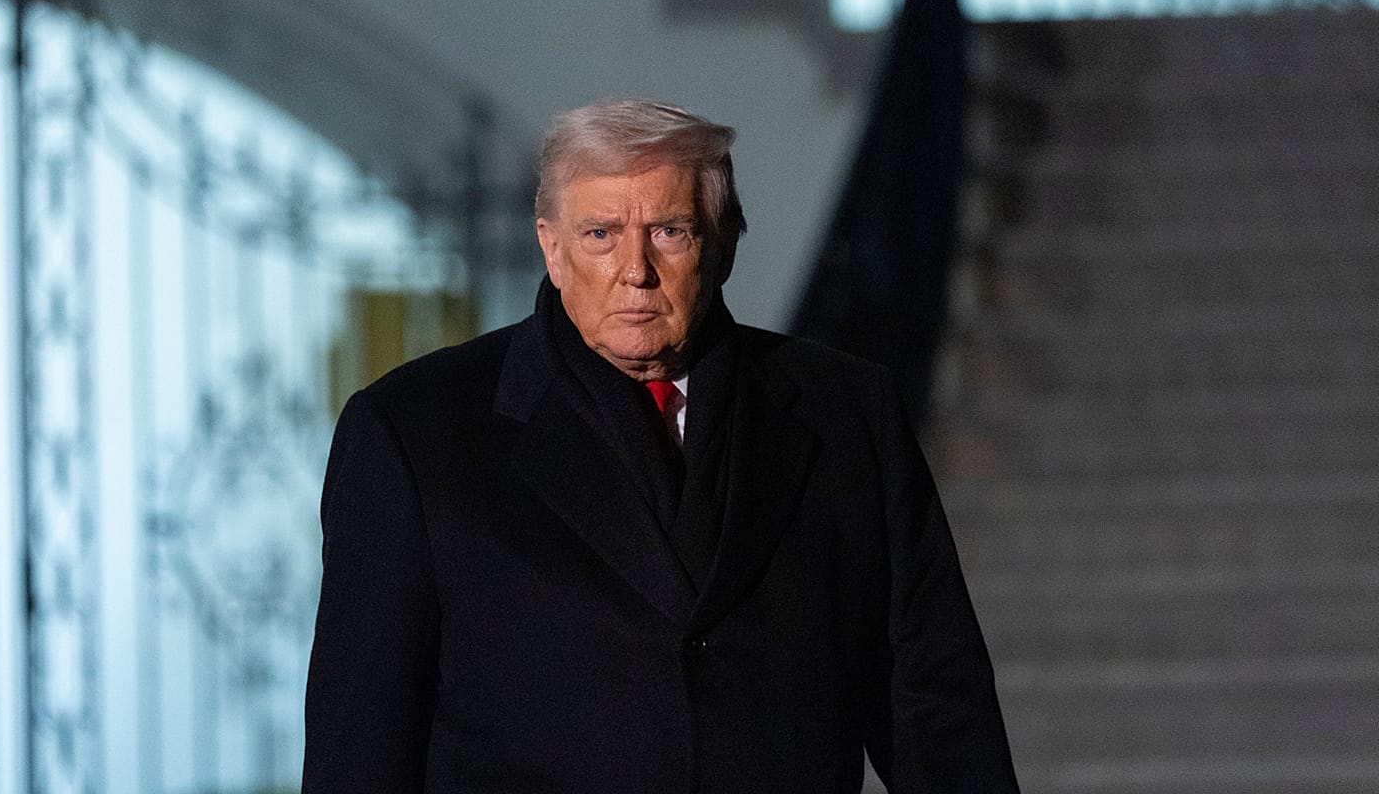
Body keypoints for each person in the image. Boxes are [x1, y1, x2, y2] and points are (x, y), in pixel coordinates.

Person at [303, 98, 1019, 793]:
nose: (636, 270)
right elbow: (360, 749)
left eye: (670, 231)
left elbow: (934, 703)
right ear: (552, 248)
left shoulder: (847, 415)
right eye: (601, 234)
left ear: (723, 242)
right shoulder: (414, 435)